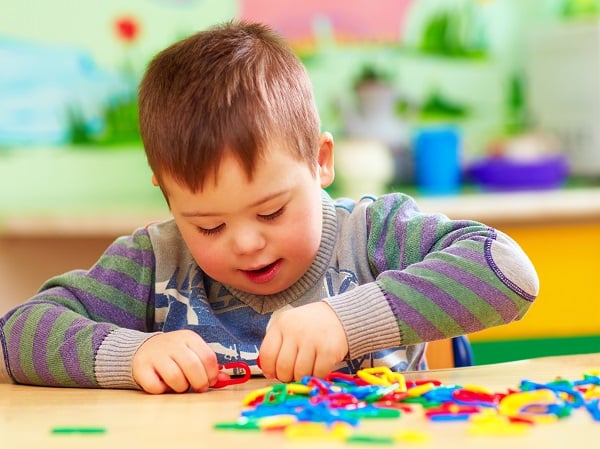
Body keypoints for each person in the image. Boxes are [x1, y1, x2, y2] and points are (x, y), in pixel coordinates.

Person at [0, 21, 539, 394]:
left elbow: (509, 272)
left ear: (321, 162)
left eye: (272, 211)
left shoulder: (372, 234)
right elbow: (15, 336)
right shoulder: (152, 262)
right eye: (208, 225)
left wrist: (344, 322)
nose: (246, 242)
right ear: (167, 195)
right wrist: (129, 355)